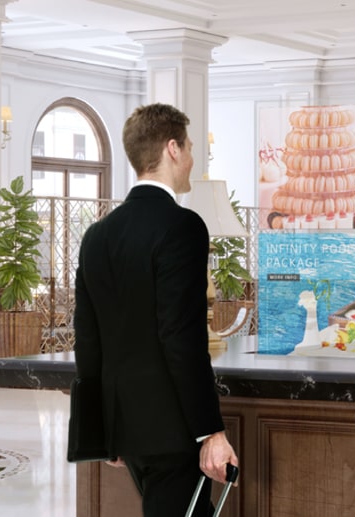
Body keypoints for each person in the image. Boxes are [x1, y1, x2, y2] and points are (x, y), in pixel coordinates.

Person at [73, 103, 239, 516]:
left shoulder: (98, 234)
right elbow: (181, 337)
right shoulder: (181, 226)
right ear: (173, 149)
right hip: (171, 428)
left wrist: (104, 428)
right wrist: (210, 432)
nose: (193, 159)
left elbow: (88, 339)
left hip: (125, 428)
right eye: (190, 147)